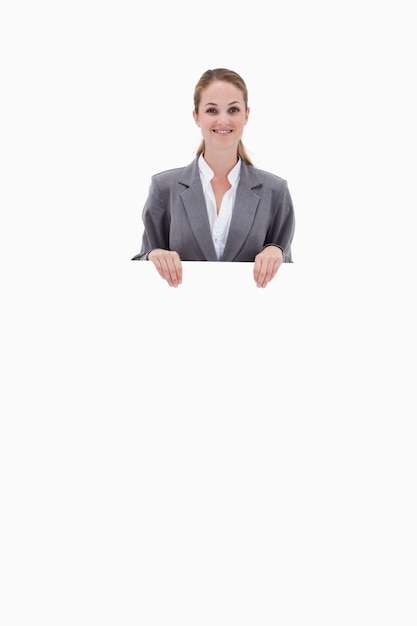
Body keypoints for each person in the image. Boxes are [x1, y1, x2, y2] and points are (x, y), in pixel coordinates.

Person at [131, 68, 295, 288]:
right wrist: (153, 256)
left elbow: (289, 279)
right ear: (196, 116)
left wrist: (277, 252)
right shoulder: (164, 188)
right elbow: (140, 269)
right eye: (212, 110)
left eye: (233, 109)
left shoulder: (275, 192)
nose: (223, 120)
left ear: (246, 115)